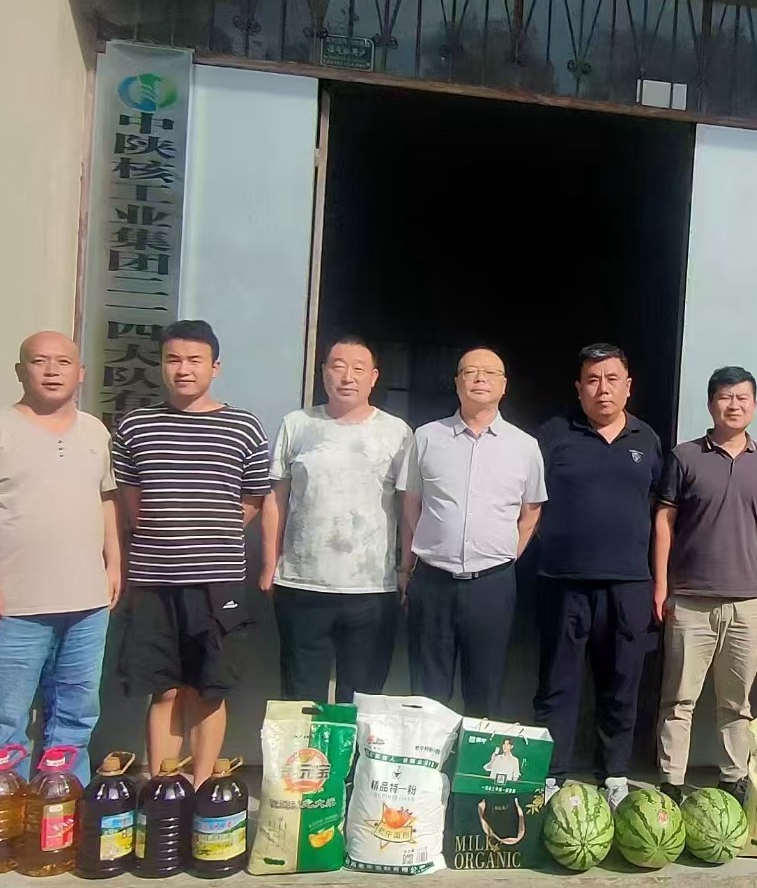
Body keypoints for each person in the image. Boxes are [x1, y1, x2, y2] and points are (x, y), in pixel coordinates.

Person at [0, 331, 120, 785]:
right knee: (4, 722)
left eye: (63, 362)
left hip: (86, 604)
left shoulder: (95, 431)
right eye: (40, 361)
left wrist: (113, 565)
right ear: (21, 371)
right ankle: (2, 817)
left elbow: (106, 500)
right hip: (13, 606)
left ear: (80, 373)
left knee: (77, 716)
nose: (52, 371)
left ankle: (60, 811)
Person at [111, 320, 270, 786]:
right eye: (173, 360)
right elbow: (131, 503)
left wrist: (209, 534)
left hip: (216, 582)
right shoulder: (135, 426)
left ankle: (199, 790)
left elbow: (252, 499)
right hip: (153, 580)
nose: (184, 369)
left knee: (208, 690)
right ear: (161, 366)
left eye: (195, 360)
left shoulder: (244, 426)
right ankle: (164, 790)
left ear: (214, 367)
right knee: (162, 691)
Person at [533, 344, 664, 809]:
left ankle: (614, 776)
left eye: (612, 379)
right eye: (592, 379)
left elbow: (660, 511)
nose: (602, 389)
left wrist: (659, 581)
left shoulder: (647, 439)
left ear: (628, 386)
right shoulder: (554, 435)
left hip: (628, 584)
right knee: (558, 683)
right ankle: (552, 775)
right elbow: (526, 500)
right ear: (579, 387)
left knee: (621, 683)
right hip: (563, 581)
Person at [653, 366, 757, 805]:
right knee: (679, 700)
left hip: (747, 602)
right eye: (725, 397)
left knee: (736, 703)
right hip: (690, 600)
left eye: (742, 398)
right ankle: (670, 781)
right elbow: (665, 521)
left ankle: (733, 779)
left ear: (754, 405)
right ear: (711, 404)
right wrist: (662, 586)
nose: (734, 405)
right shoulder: (685, 456)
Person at [261, 335, 411, 704]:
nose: (347, 377)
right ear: (324, 372)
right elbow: (275, 499)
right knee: (300, 697)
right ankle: (305, 746)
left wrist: (406, 568)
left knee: (361, 699)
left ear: (374, 377)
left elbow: (409, 507)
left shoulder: (397, 432)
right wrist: (269, 563)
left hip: (371, 589)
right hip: (302, 584)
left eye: (358, 369)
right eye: (338, 367)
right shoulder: (297, 424)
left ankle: (351, 748)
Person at [397, 347, 546, 718]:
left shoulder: (525, 446)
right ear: (457, 382)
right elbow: (411, 503)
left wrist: (505, 556)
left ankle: (474, 758)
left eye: (490, 372)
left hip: (492, 585)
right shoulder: (427, 437)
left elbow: (530, 513)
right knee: (428, 692)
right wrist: (413, 560)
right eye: (470, 371)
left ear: (504, 385)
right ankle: (431, 757)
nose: (480, 379)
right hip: (433, 580)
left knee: (485, 687)